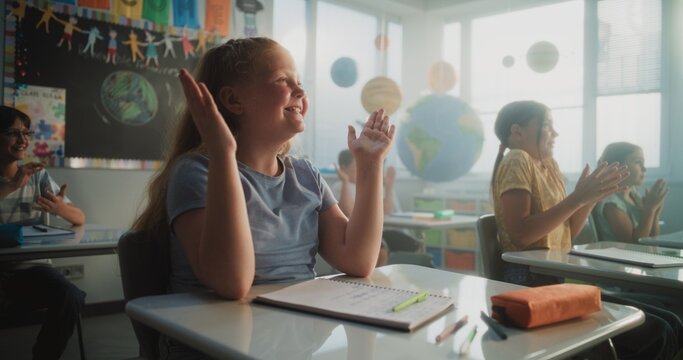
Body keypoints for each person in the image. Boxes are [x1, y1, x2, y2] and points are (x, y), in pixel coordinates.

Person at [131, 37, 394, 358]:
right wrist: (222, 151)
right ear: (233, 100)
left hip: (290, 339)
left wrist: (369, 165)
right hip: (213, 343)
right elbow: (233, 284)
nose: (300, 91)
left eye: (300, 82)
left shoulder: (306, 175)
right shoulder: (195, 172)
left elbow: (358, 261)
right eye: (284, 81)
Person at [491, 100, 682, 360]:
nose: (555, 134)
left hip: (554, 278)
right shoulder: (517, 158)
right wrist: (577, 198)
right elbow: (521, 235)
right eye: (547, 126)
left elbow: (568, 232)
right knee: (659, 329)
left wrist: (589, 197)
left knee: (670, 321)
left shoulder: (550, 167)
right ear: (517, 132)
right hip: (528, 282)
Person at [0, 105, 86, 359]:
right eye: (14, 133)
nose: (23, 140)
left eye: (26, 133)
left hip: (32, 271)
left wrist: (60, 208)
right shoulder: (21, 178)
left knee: (70, 295)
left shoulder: (38, 176)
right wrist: (13, 186)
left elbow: (80, 217)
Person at [593, 142, 668, 243]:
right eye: (638, 162)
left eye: (643, 163)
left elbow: (653, 240)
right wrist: (650, 209)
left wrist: (655, 210)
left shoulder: (633, 194)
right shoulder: (610, 203)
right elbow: (633, 245)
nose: (644, 168)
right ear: (617, 167)